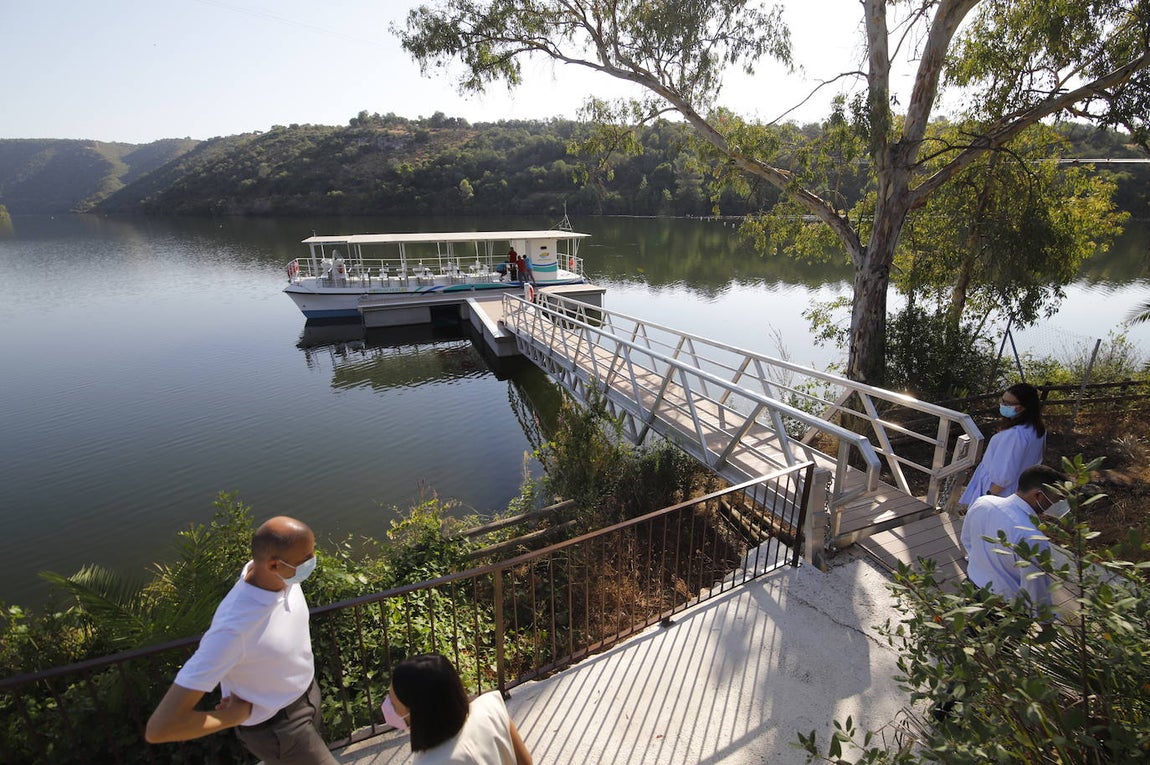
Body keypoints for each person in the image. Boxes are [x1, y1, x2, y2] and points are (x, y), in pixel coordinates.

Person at [145, 516, 338, 765]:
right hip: (280, 727)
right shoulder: (234, 628)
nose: (312, 562)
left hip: (308, 695)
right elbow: (160, 727)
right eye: (305, 559)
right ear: (273, 565)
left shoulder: (282, 578)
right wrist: (233, 716)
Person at [382, 653, 533, 765]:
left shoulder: (431, 762)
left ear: (419, 712)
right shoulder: (490, 706)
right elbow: (526, 763)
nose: (388, 706)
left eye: (394, 705)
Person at [959, 464, 1066, 611]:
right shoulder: (1032, 538)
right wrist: (1046, 622)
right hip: (1003, 609)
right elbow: (1035, 588)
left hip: (970, 588)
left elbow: (967, 540)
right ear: (1038, 495)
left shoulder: (983, 502)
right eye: (1057, 499)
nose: (1057, 505)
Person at [958, 382, 1046, 507]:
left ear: (1023, 407)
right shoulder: (1035, 429)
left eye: (1008, 404)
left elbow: (1004, 477)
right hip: (1019, 488)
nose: (1003, 405)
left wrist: (987, 497)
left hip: (999, 493)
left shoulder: (1015, 435)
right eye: (1003, 401)